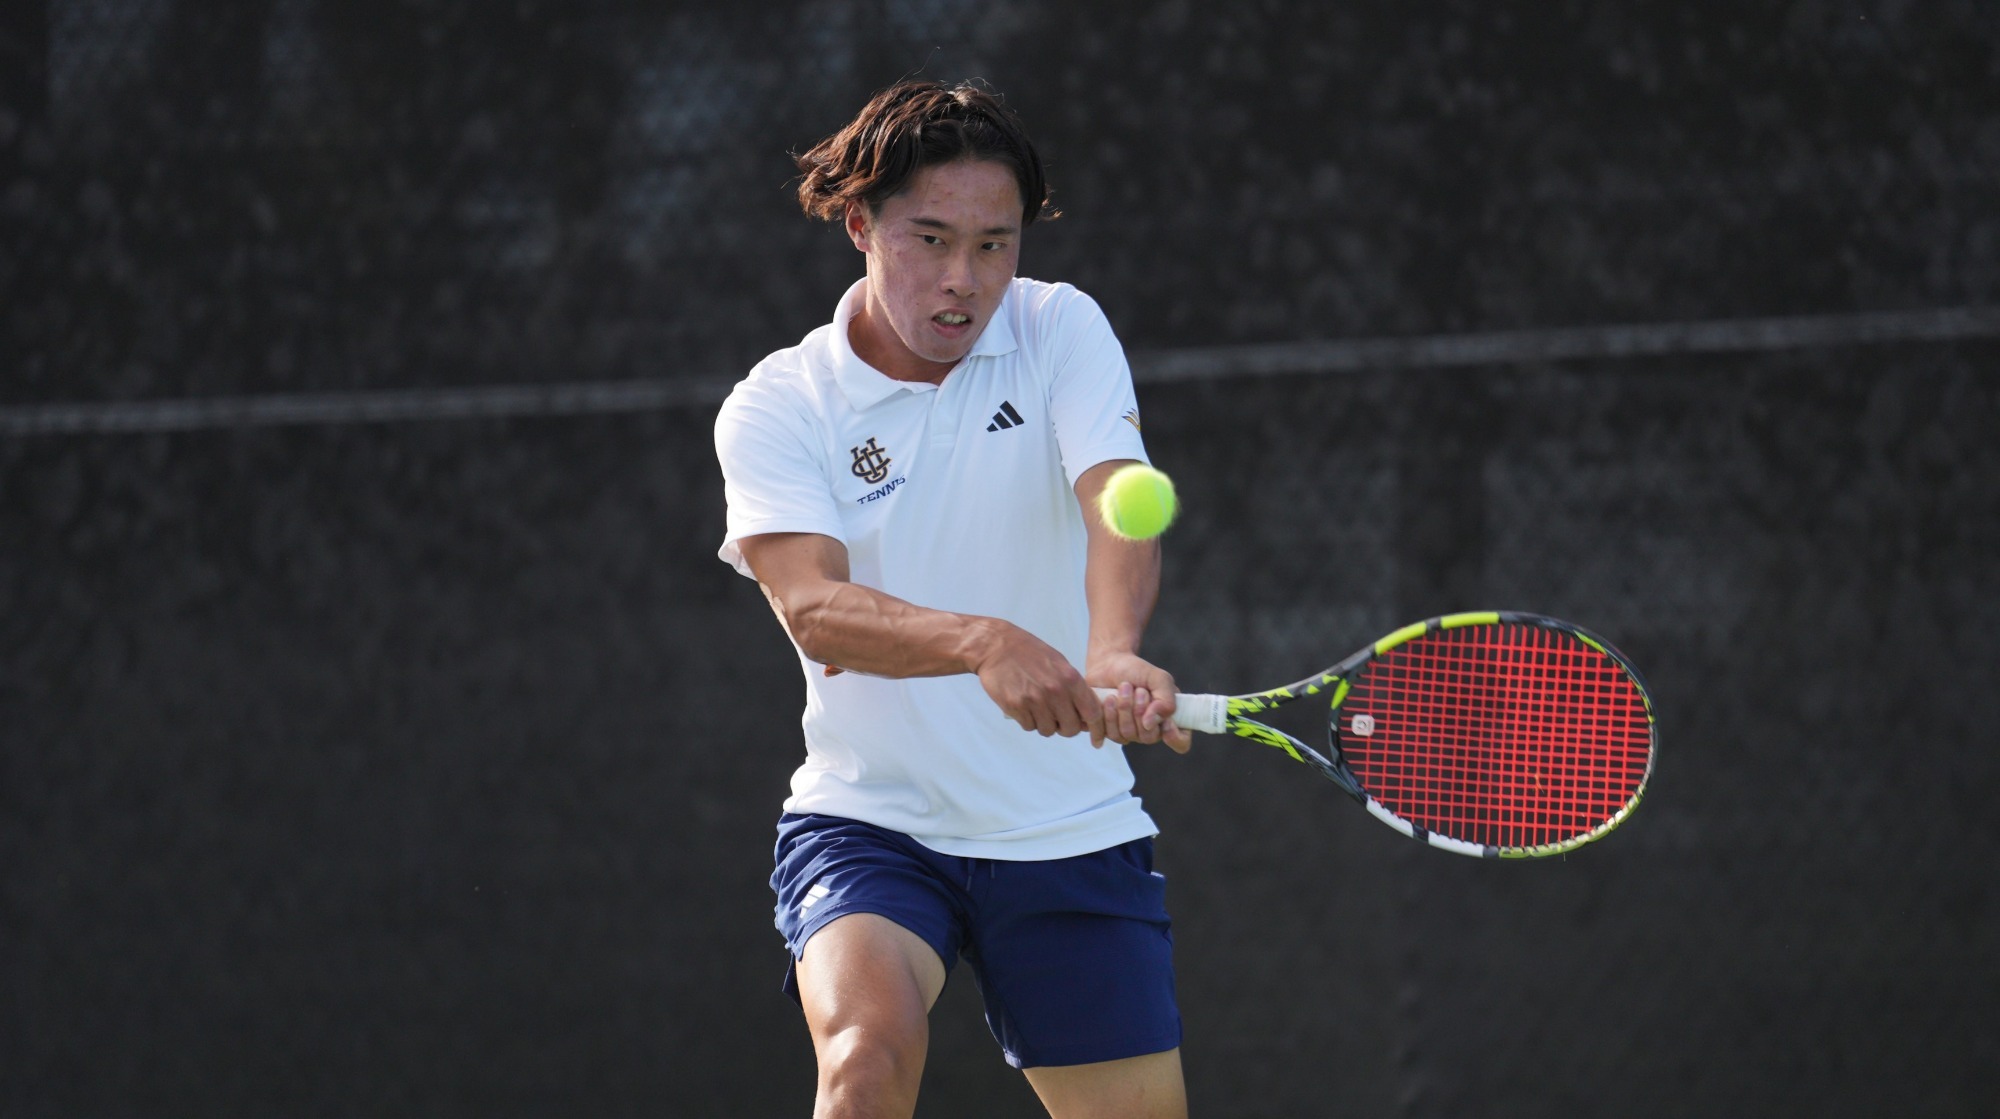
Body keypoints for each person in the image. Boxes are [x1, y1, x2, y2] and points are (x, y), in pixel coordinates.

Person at [713, 78, 1192, 1119]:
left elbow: (1118, 499)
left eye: (993, 245)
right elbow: (814, 610)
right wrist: (983, 642)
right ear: (859, 224)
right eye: (929, 239)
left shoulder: (1059, 328)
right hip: (872, 823)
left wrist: (1112, 649)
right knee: (863, 1064)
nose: (962, 279)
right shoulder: (779, 404)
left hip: (1066, 829)